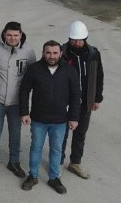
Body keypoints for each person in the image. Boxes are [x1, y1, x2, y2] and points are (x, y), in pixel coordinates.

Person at [18, 40, 81, 194]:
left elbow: (75, 95)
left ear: (60, 53)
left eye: (54, 53)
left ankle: (54, 178)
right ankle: (32, 176)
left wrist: (74, 117)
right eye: (48, 52)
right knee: (36, 148)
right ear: (43, 53)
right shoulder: (34, 70)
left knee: (56, 149)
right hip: (38, 119)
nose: (51, 56)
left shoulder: (70, 71)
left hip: (60, 120)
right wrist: (24, 113)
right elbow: (24, 91)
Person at [0, 22, 38, 180]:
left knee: (15, 132)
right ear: (4, 34)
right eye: (9, 35)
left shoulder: (28, 52)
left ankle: (14, 162)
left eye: (16, 35)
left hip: (17, 102)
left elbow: (33, 76)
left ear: (21, 35)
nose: (12, 38)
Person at [61, 20, 105, 180]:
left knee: (80, 133)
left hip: (85, 101)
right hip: (65, 101)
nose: (77, 43)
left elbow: (99, 76)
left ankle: (75, 162)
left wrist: (97, 98)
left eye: (80, 40)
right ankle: (57, 162)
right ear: (69, 39)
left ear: (85, 38)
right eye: (74, 40)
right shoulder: (62, 53)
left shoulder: (93, 54)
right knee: (62, 133)